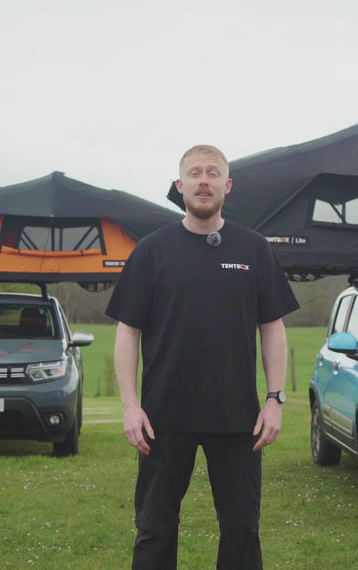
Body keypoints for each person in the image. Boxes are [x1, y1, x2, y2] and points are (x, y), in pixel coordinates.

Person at [105, 144, 299, 570]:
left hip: (238, 418)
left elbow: (273, 328)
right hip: (163, 417)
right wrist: (130, 405)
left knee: (242, 529)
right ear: (180, 186)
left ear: (227, 186)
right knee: (154, 528)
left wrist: (274, 399)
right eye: (195, 174)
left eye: (213, 173)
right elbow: (127, 331)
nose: (204, 181)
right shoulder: (152, 251)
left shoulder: (254, 249)